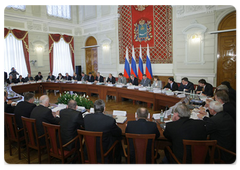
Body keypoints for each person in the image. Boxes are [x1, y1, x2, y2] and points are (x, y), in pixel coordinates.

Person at [84, 99, 122, 164]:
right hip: (104, 152)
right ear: (104, 109)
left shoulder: (86, 118)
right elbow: (119, 133)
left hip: (88, 150)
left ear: (94, 108)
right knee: (118, 140)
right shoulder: (110, 120)